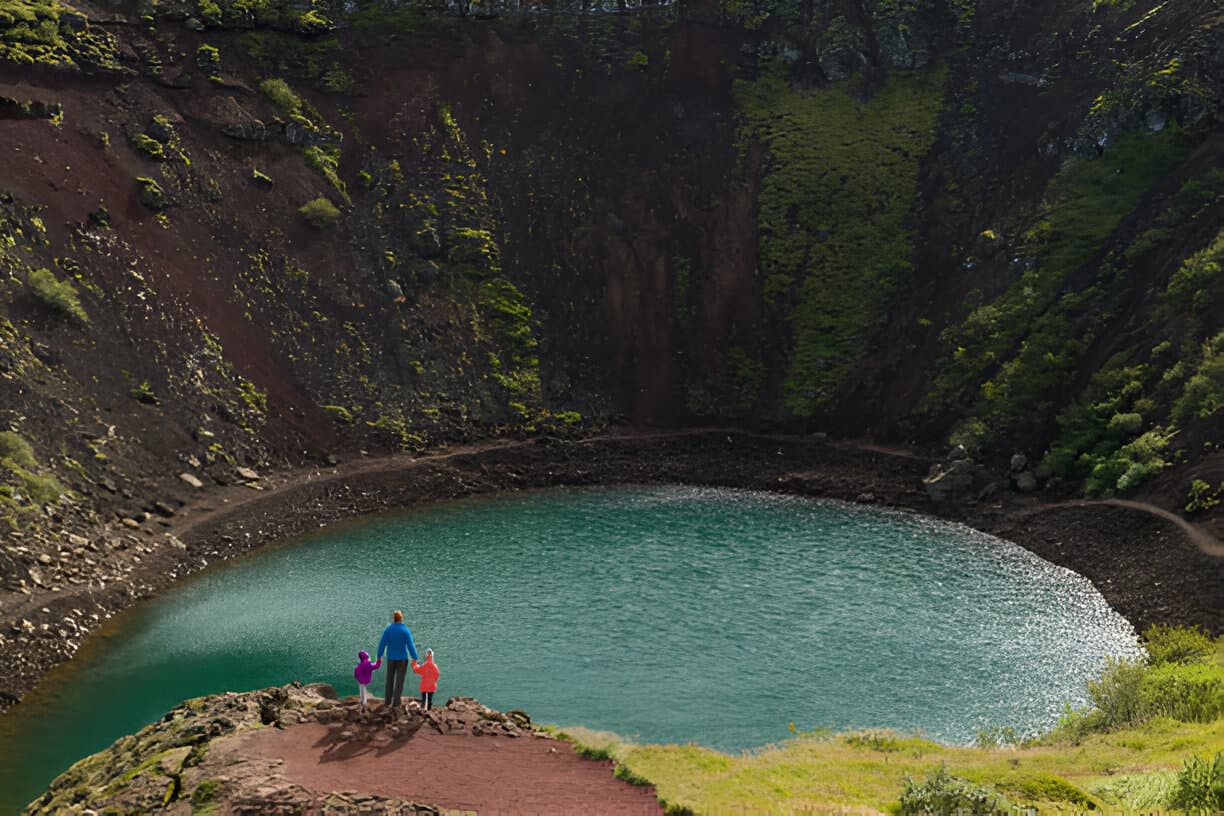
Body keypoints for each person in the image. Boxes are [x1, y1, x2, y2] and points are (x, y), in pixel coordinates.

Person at [377, 609, 418, 708]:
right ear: (401, 618)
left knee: (389, 679)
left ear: (394, 619)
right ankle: (396, 702)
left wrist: (379, 656)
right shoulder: (405, 630)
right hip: (402, 659)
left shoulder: (388, 630)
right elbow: (410, 645)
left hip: (391, 658)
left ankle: (387, 701)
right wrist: (414, 657)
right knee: (399, 681)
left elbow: (382, 644)